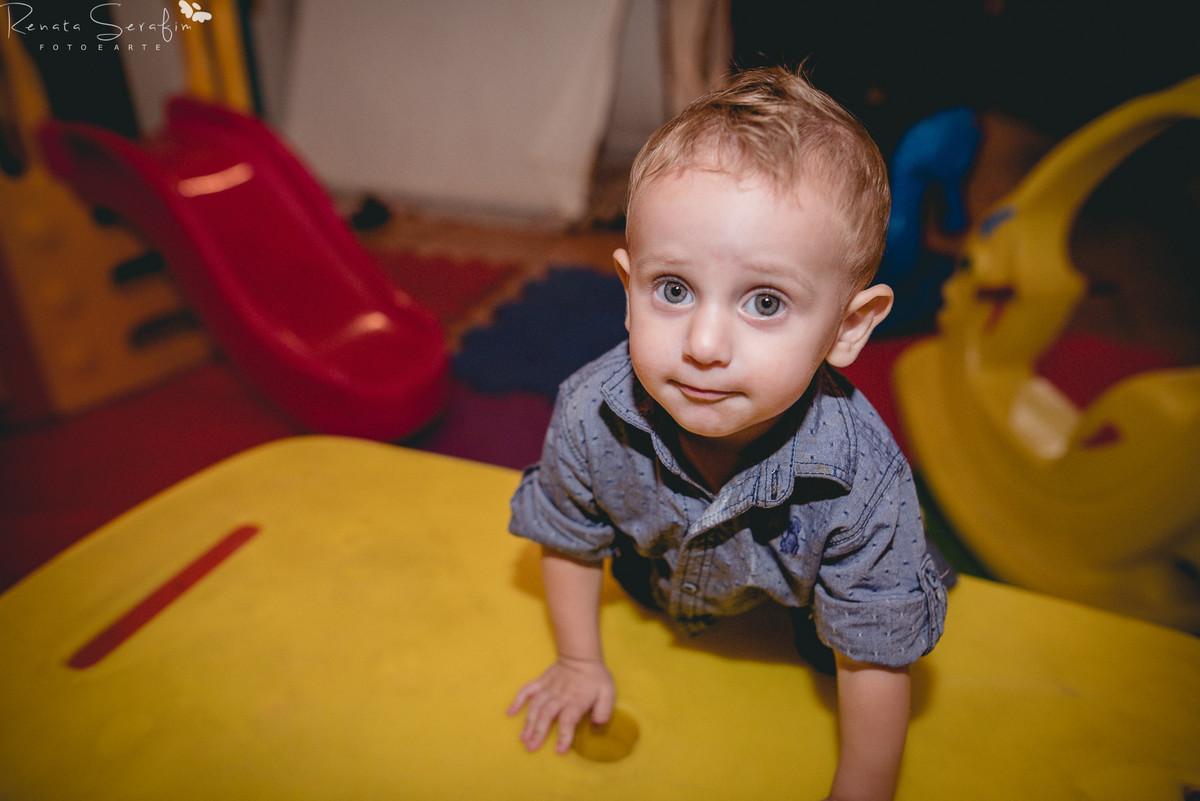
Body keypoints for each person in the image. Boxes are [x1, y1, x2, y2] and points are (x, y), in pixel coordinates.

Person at [506, 66, 949, 801]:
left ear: (847, 328)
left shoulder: (863, 477)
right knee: (636, 582)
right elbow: (568, 536)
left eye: (766, 301)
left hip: (805, 603)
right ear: (628, 290)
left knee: (860, 623)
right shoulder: (591, 409)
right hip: (659, 572)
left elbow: (873, 656)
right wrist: (580, 661)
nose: (704, 342)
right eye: (673, 290)